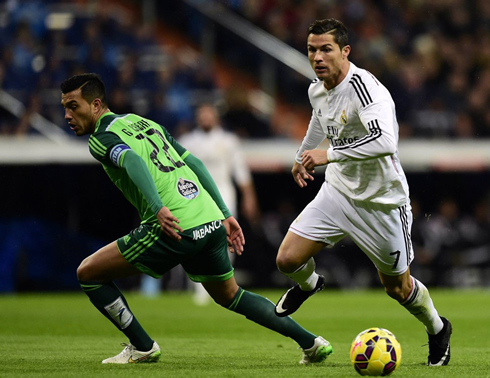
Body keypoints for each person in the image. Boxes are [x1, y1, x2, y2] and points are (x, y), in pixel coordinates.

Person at [60, 73, 332, 364]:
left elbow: (132, 160)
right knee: (231, 295)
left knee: (88, 273)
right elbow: (193, 162)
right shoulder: (144, 122)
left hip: (173, 225)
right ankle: (311, 343)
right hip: (209, 220)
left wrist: (157, 207)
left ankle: (142, 346)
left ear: (97, 104)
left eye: (74, 106)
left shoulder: (101, 138)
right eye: (65, 107)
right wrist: (225, 214)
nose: (67, 115)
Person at [273, 19, 452, 367]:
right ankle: (309, 284)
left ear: (345, 51)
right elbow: (318, 119)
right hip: (338, 192)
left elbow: (386, 141)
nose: (318, 57)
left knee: (397, 288)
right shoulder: (317, 89)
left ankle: (437, 327)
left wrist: (329, 154)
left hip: (382, 203)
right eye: (312, 49)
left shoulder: (366, 89)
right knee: (287, 260)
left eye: (326, 49)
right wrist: (302, 156)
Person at [140, 103, 261, 303]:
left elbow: (241, 172)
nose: (205, 118)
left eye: (208, 114)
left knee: (226, 238)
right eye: (201, 115)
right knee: (197, 239)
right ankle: (201, 289)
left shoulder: (229, 141)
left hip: (223, 192)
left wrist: (249, 198)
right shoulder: (188, 141)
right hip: (194, 195)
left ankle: (225, 284)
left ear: (216, 117)